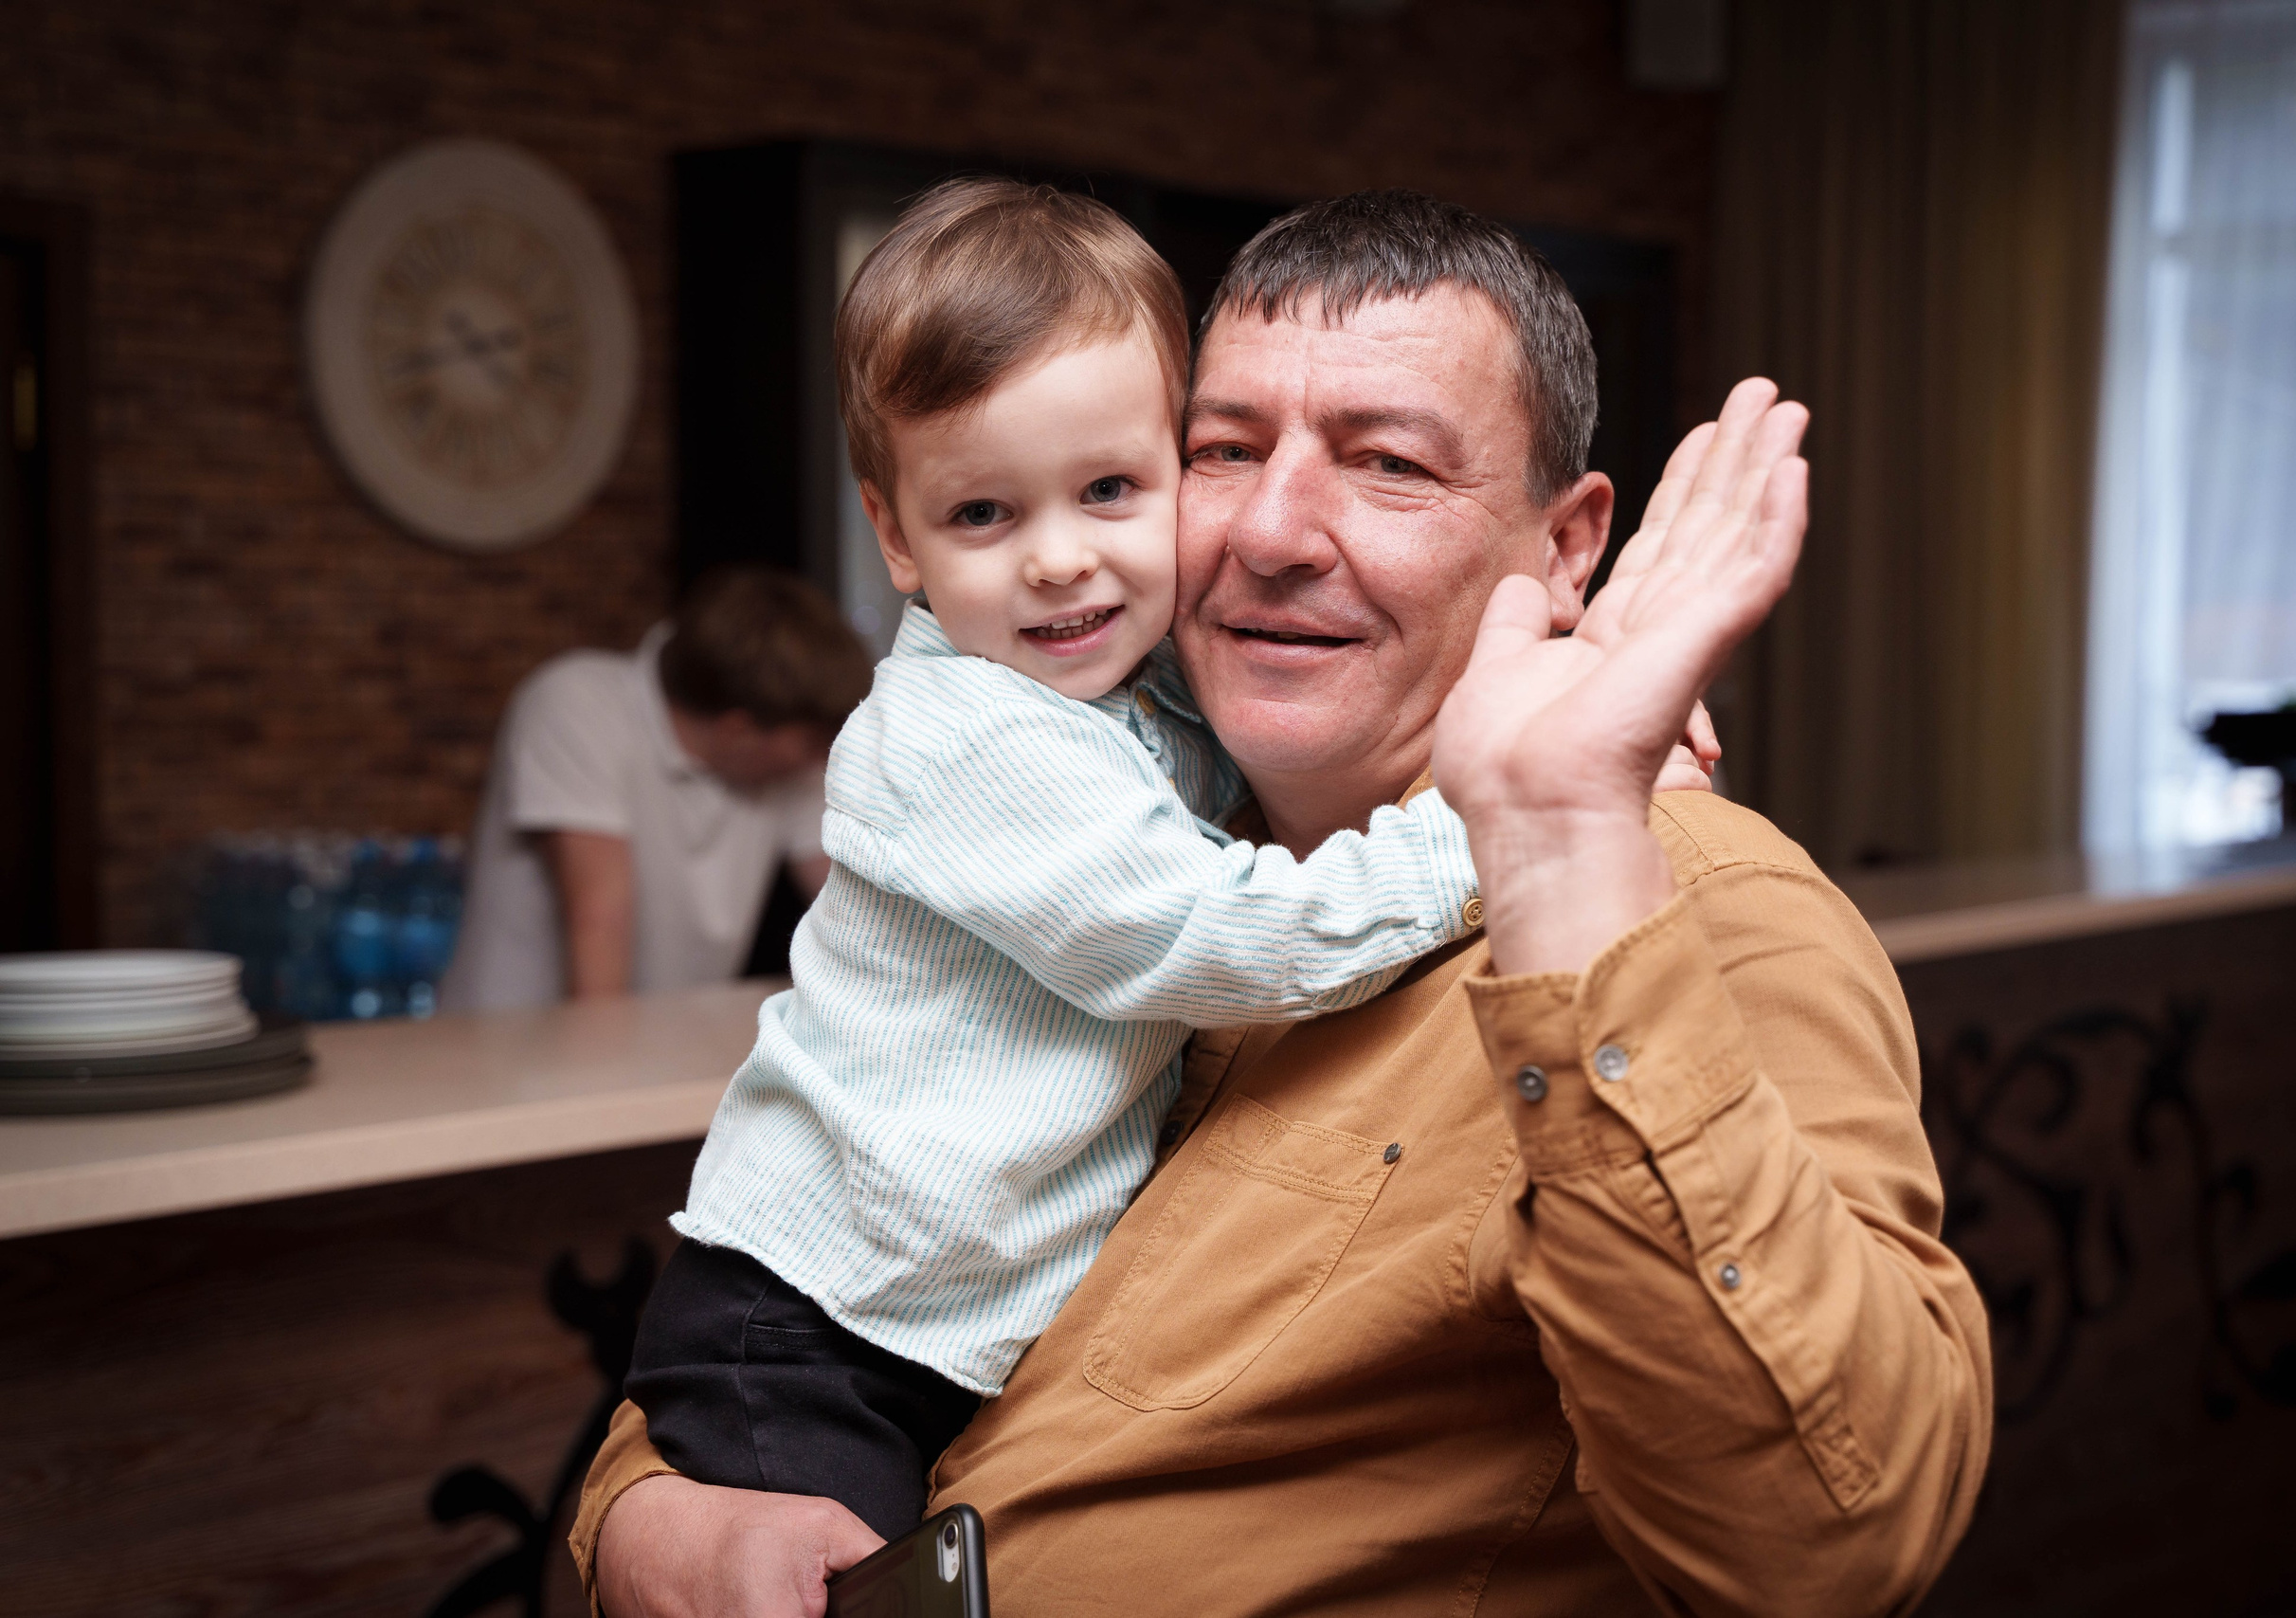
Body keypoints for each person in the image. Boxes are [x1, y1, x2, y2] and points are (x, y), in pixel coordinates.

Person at [578, 191, 1994, 1616]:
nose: (1269, 529)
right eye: (1222, 451)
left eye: (1386, 464)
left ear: (1565, 549)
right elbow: (830, 1286)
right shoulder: (1130, 819)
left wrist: (1556, 840)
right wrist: (646, 1519)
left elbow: (1831, 1543)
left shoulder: (1703, 906)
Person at [627, 177, 1559, 1543]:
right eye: (985, 517)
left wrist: (1573, 674)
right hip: (822, 1329)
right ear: (896, 536)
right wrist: (1498, 812)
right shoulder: (968, 738)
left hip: (934, 1318)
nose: (1064, 561)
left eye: (1113, 489)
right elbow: (1221, 937)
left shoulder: (1130, 682)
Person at [438, 568, 873, 1012]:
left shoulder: (784, 756)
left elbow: (860, 917)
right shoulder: (576, 705)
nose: (825, 756)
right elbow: (600, 925)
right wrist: (609, 1078)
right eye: (816, 742)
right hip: (504, 1057)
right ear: (738, 731)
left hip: (659, 1049)